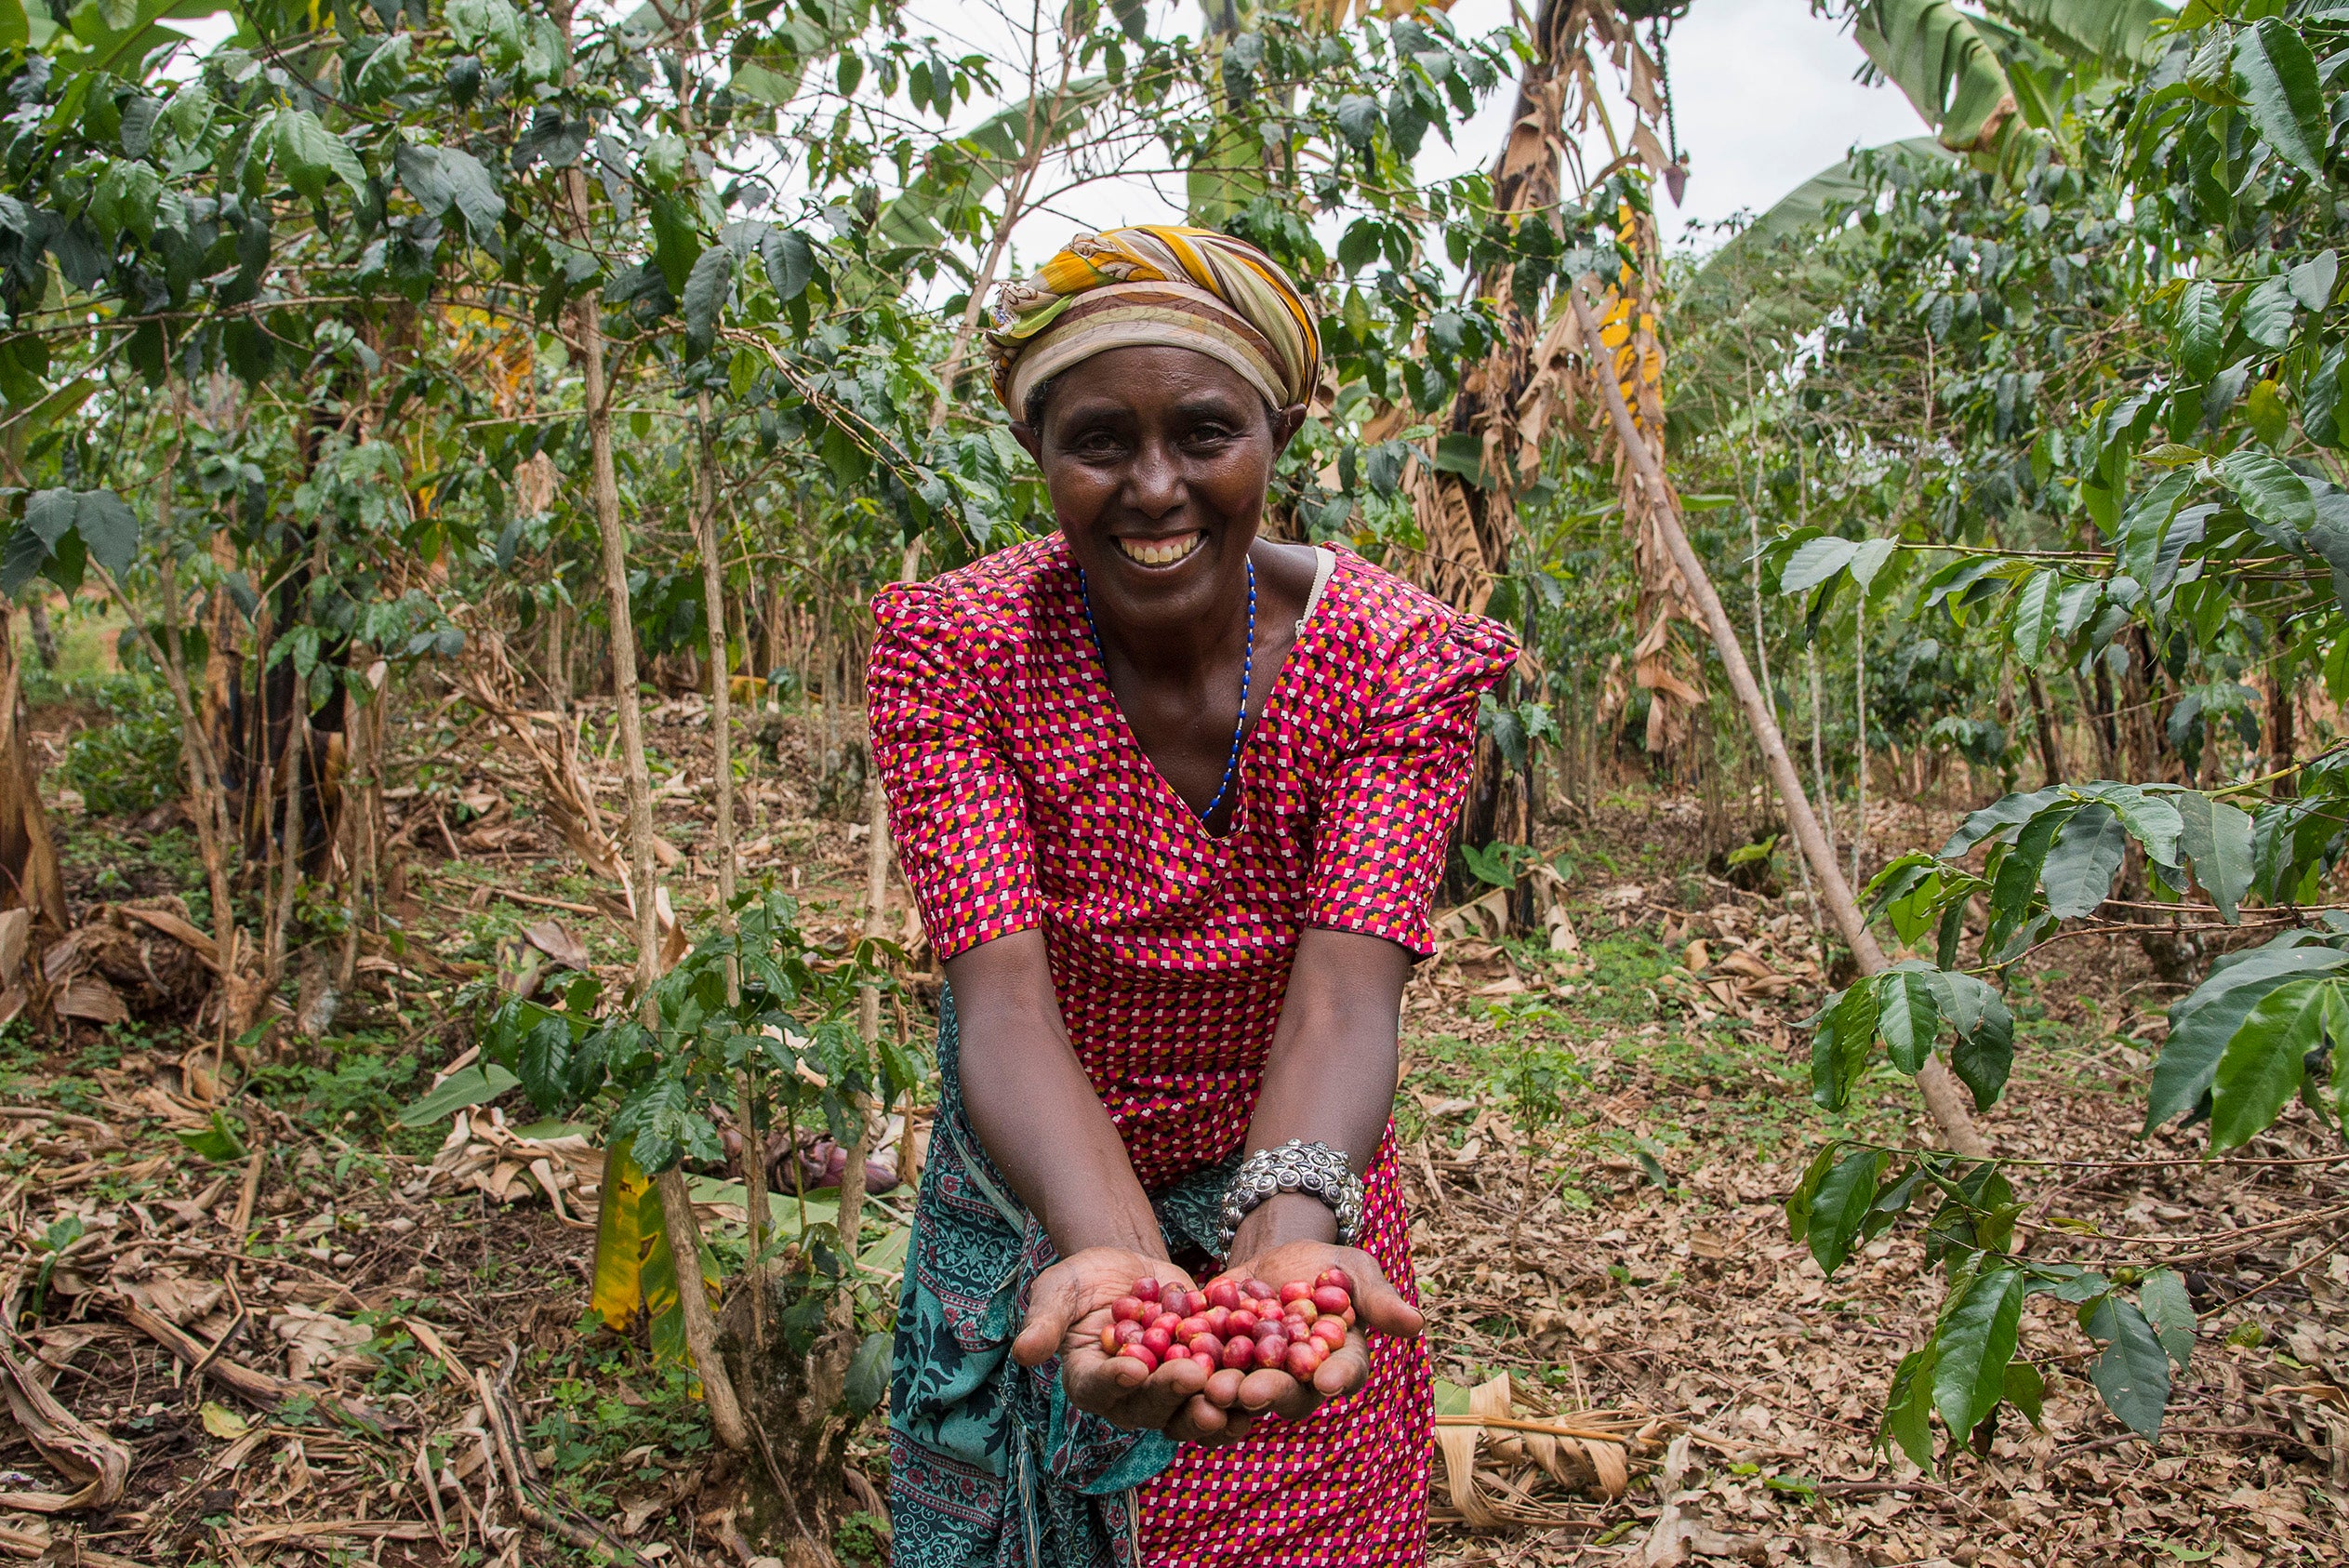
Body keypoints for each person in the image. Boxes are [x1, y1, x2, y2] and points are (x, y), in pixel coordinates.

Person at [869, 225, 1516, 1568]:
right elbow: (1000, 998)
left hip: (1295, 1167)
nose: (1154, 486)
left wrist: (1276, 1252)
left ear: (1275, 435)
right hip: (1033, 1183)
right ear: (1038, 448)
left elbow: (1343, 996)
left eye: (1204, 433)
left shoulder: (1393, 662)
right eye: (1099, 440)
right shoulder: (956, 650)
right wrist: (1114, 1263)